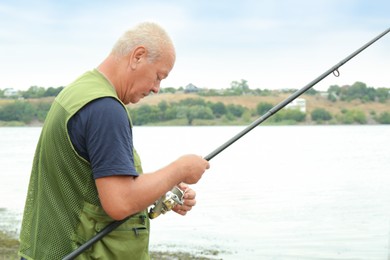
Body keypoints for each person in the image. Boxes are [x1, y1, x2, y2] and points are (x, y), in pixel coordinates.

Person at [18, 22, 210, 260]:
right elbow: (119, 202)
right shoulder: (105, 109)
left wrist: (160, 191)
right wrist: (179, 169)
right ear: (137, 56)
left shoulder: (78, 93)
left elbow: (90, 188)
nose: (156, 88)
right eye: (158, 76)